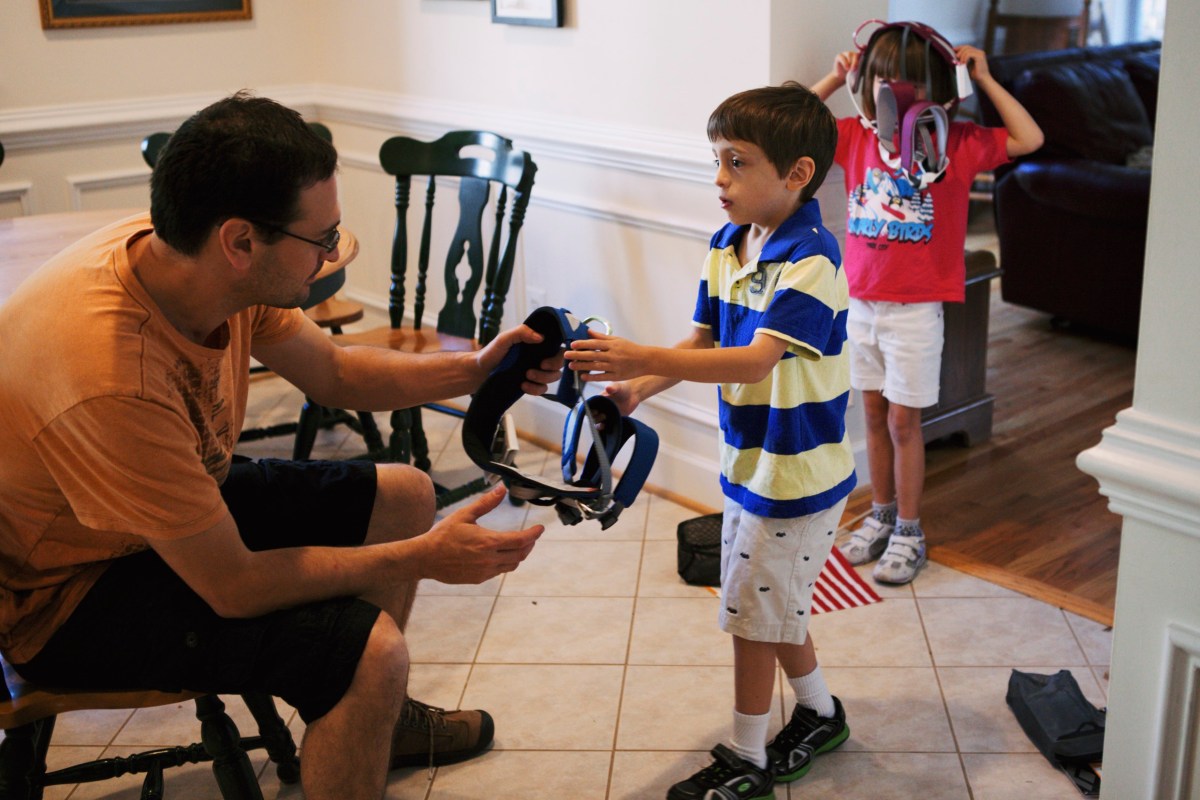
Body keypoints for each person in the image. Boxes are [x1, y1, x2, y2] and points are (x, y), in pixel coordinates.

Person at [0, 92, 560, 800]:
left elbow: (337, 370)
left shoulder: (194, 256)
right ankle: (365, 700)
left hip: (136, 521)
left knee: (405, 493)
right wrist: (426, 557)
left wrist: (477, 368)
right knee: (371, 653)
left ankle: (370, 727)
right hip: (64, 595)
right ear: (241, 243)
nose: (332, 256)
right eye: (321, 239)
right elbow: (234, 588)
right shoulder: (112, 377)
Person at [564, 82, 855, 800]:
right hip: (751, 463)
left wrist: (641, 358)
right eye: (716, 159)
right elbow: (704, 339)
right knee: (769, 604)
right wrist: (636, 388)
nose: (718, 179)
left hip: (796, 476)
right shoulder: (728, 244)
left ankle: (746, 755)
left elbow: (754, 358)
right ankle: (820, 713)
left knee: (751, 618)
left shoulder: (812, 262)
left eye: (737, 162)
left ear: (796, 176)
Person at [811, 22, 1043, 584]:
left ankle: (910, 527)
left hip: (916, 312)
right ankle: (882, 513)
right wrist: (836, 79)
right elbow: (790, 124)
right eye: (884, 81)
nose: (896, 93)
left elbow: (1029, 140)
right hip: (862, 304)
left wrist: (984, 77)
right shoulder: (856, 138)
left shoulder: (957, 147)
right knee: (869, 414)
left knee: (904, 423)